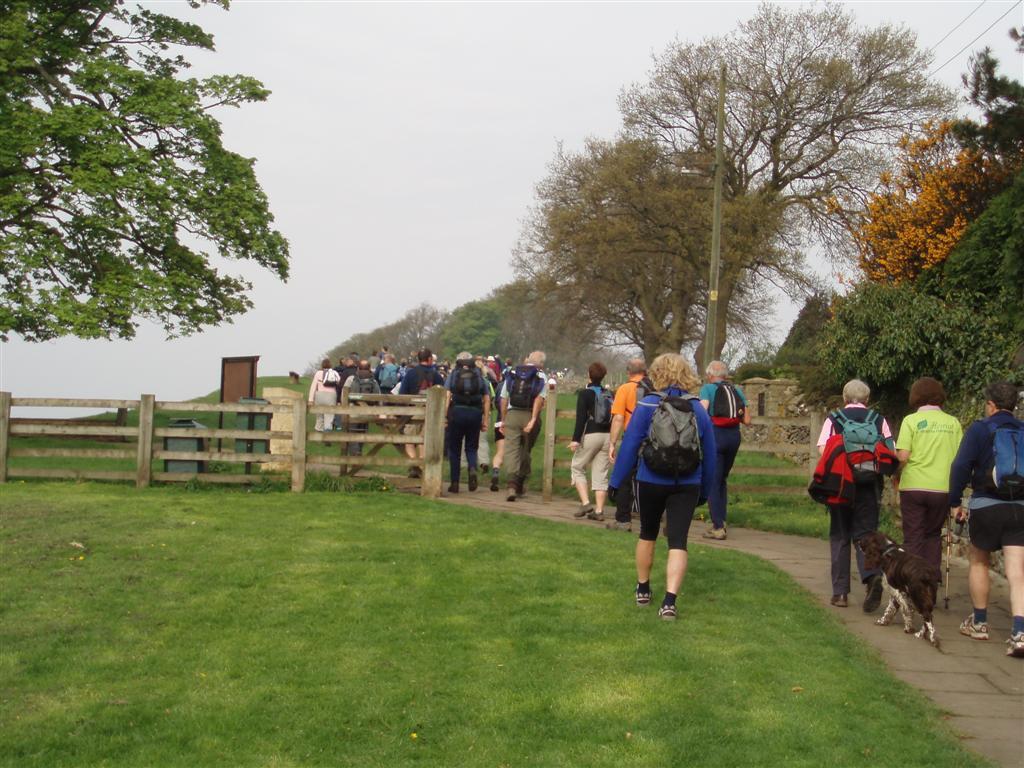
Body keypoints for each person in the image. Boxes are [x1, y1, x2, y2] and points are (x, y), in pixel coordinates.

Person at [608, 353, 716, 620]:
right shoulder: (698, 409)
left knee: (648, 533)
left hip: (651, 479)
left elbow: (630, 445)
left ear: (657, 373)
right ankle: (669, 601)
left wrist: (615, 481)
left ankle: (643, 589)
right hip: (687, 482)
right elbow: (710, 454)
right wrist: (705, 490)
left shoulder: (647, 405)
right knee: (678, 540)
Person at [948, 381, 1024, 658]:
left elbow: (960, 466)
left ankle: (979, 623)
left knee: (979, 561)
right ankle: (1019, 632)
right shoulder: (1023, 430)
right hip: (1020, 508)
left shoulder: (980, 429)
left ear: (990, 404)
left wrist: (955, 501)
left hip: (986, 505)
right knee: (1018, 572)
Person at [817, 379, 894, 612]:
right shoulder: (878, 420)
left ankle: (840, 594)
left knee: (840, 535)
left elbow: (822, 450)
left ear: (844, 398)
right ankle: (872, 578)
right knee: (867, 535)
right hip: (869, 486)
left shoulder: (834, 419)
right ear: (867, 400)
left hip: (841, 484)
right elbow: (890, 451)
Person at [894, 377, 963, 573]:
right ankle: (930, 582)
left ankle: (912, 580)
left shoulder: (911, 421)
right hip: (942, 487)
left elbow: (903, 456)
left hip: (914, 486)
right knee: (933, 535)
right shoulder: (953, 423)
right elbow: (960, 458)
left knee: (913, 536)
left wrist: (894, 458)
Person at [699, 361, 752, 541]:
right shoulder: (736, 390)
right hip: (734, 437)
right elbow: (747, 419)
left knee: (713, 480)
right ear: (725, 375)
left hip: (716, 436)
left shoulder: (707, 389)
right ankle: (722, 519)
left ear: (710, 374)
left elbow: (702, 411)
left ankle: (717, 527)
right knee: (722, 480)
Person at [606, 359, 651, 531]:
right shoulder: (654, 389)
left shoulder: (624, 389)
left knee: (624, 478)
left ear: (628, 372)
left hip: (632, 437)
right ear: (645, 372)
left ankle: (623, 519)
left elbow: (618, 418)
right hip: (654, 438)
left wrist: (612, 443)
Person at [499, 350, 547, 502]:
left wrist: (503, 418)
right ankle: (520, 481)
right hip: (529, 415)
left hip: (513, 414)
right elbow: (539, 399)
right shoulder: (540, 375)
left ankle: (511, 485)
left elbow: (504, 398)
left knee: (511, 449)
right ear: (541, 363)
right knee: (526, 449)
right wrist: (533, 419)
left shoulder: (513, 373)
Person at [569, 362, 612, 520]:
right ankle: (599, 511)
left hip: (591, 434)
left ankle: (586, 503)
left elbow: (581, 418)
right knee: (601, 473)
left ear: (589, 375)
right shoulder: (609, 393)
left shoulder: (585, 393)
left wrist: (575, 440)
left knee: (577, 466)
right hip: (607, 435)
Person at [445, 352, 491, 493]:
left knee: (454, 449)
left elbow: (447, 395)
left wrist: (445, 415)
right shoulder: (478, 375)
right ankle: (472, 468)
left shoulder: (454, 374)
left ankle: (455, 482)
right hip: (475, 413)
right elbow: (487, 398)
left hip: (457, 412)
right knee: (471, 447)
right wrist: (485, 420)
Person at [398, 348, 445, 477]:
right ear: (430, 359)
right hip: (431, 410)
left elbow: (402, 394)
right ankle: (422, 468)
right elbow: (443, 393)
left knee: (409, 440)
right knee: (423, 441)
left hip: (413, 409)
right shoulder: (436, 375)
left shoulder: (411, 373)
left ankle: (415, 465)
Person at [341, 360, 381, 456]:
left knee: (352, 432)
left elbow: (344, 394)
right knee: (362, 433)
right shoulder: (373, 380)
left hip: (353, 410)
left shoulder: (351, 379)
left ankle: (355, 454)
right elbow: (378, 396)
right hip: (367, 412)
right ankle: (359, 452)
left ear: (358, 368)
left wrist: (343, 408)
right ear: (369, 368)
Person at [307, 359, 340, 432]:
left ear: (322, 365)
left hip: (320, 395)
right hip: (331, 396)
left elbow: (313, 387)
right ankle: (327, 431)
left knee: (319, 414)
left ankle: (319, 431)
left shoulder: (318, 373)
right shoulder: (334, 372)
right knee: (329, 414)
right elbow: (339, 382)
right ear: (330, 365)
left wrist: (310, 399)